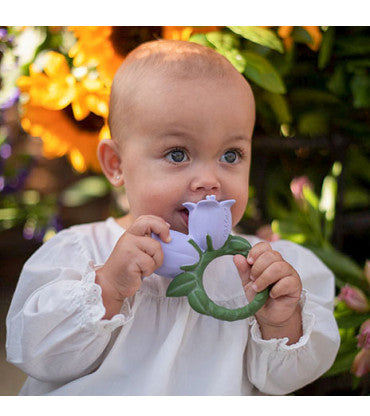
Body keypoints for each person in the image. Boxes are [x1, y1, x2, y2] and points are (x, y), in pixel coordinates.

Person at [6, 40, 340, 395]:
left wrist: (282, 321)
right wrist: (107, 288)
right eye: (178, 154)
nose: (210, 180)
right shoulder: (82, 254)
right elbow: (34, 352)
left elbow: (286, 379)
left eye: (231, 155)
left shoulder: (257, 273)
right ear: (116, 164)